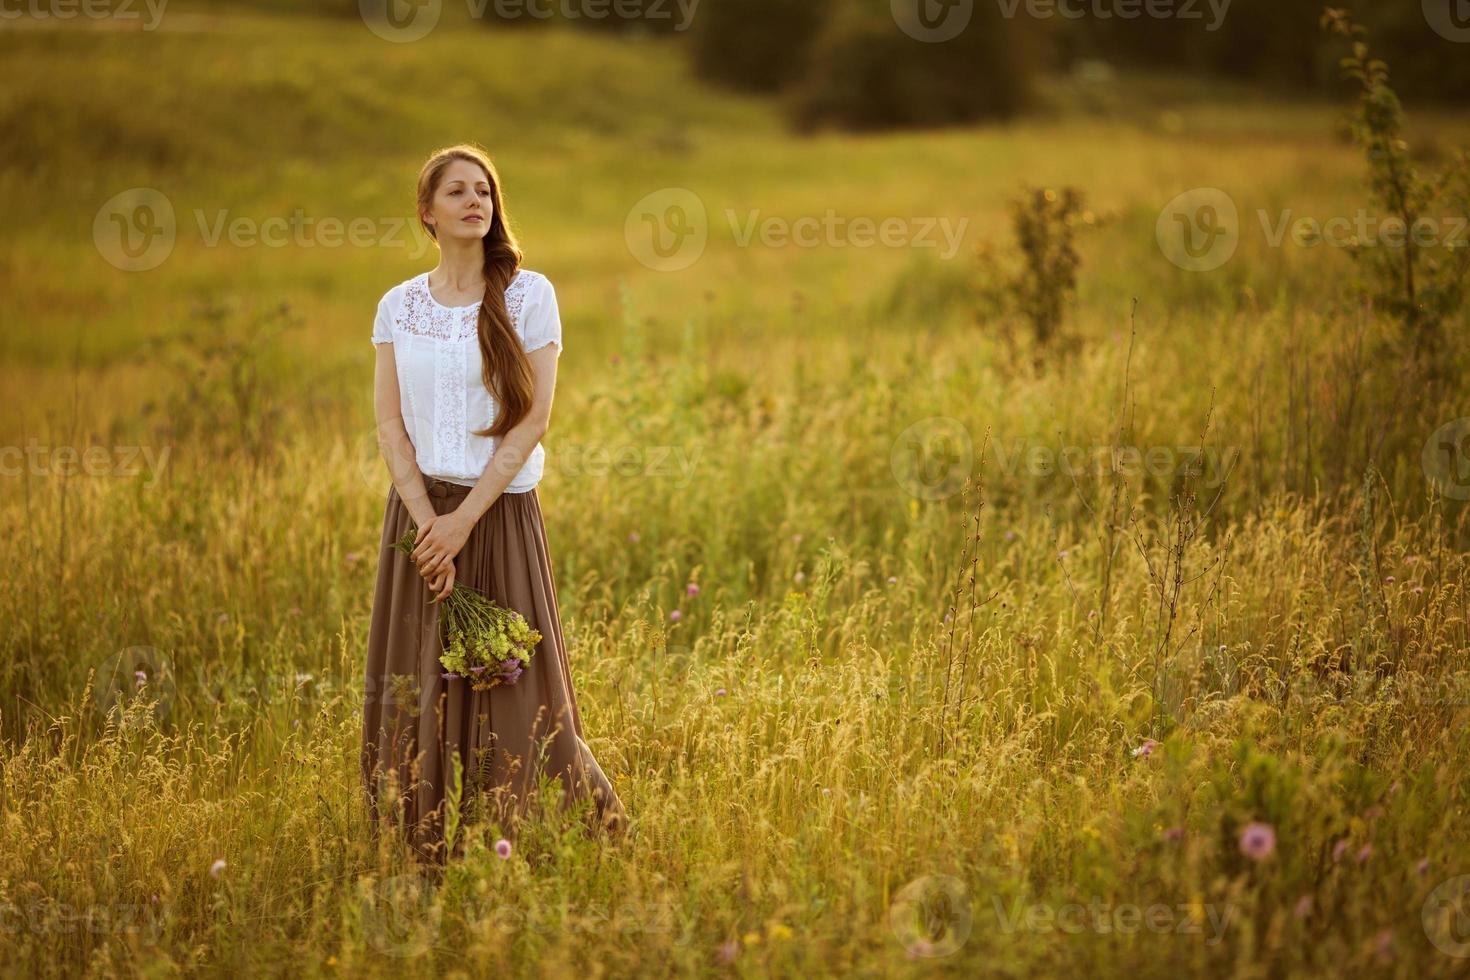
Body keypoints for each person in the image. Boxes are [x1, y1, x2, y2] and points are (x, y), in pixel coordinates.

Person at [360, 143, 627, 866]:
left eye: (484, 190)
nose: (475, 200)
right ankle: (430, 850)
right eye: (456, 191)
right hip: (419, 521)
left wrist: (462, 523)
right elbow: (389, 423)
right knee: (420, 683)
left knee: (517, 686)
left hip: (496, 514)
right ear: (427, 212)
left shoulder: (528, 294)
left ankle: (559, 839)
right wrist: (427, 525)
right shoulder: (398, 306)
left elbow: (532, 420)